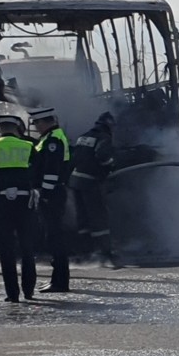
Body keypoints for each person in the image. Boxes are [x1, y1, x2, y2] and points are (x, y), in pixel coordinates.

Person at [0, 113, 39, 302]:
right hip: (25, 201)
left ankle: (12, 294)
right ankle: (29, 290)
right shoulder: (28, 146)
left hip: (1, 201)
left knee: (6, 249)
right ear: (17, 127)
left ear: (0, 128)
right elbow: (36, 173)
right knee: (27, 246)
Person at [29, 108, 73, 293]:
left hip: (52, 194)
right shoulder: (50, 138)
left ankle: (60, 282)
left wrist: (45, 194)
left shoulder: (53, 140)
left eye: (37, 123)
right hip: (52, 193)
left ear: (43, 122)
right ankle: (57, 279)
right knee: (53, 237)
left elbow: (51, 170)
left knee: (55, 238)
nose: (36, 127)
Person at [69, 111, 118, 267]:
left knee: (83, 218)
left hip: (75, 181)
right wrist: (110, 167)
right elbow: (103, 157)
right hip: (90, 182)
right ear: (109, 126)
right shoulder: (104, 138)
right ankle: (105, 254)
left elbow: (74, 156)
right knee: (99, 218)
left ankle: (85, 252)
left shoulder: (83, 136)